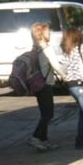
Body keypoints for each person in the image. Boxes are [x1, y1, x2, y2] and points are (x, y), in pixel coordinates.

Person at [27, 22, 66, 151]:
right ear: (43, 33)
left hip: (37, 84)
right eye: (48, 31)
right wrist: (66, 76)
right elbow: (56, 65)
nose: (50, 33)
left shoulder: (35, 47)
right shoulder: (47, 49)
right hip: (45, 84)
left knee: (45, 113)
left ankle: (44, 140)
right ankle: (36, 137)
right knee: (48, 114)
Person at [58, 27, 83, 149]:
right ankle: (81, 140)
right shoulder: (82, 48)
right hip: (81, 83)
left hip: (71, 85)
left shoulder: (66, 51)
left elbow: (62, 67)